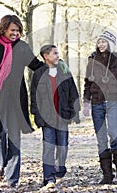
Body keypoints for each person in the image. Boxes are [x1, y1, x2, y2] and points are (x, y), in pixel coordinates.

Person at [0, 15, 45, 188]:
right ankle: (1, 163)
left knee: (15, 138)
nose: (15, 33)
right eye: (12, 30)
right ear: (4, 29)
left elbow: (36, 66)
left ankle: (12, 180)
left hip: (17, 99)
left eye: (18, 31)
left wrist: (55, 65)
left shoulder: (21, 48)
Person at [30, 45, 80, 190]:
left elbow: (73, 93)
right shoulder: (38, 74)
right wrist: (37, 115)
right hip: (47, 118)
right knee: (48, 148)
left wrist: (74, 112)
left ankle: (59, 171)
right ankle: (49, 178)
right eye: (55, 53)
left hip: (62, 117)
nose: (58, 56)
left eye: (57, 53)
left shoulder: (64, 72)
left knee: (63, 147)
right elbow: (34, 97)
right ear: (46, 56)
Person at [83, 31, 117, 184]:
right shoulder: (92, 60)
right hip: (96, 102)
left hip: (112, 101)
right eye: (99, 42)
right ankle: (107, 175)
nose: (101, 44)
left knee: (113, 132)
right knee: (101, 138)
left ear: (110, 43)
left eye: (104, 41)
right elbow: (87, 84)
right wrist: (86, 103)